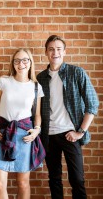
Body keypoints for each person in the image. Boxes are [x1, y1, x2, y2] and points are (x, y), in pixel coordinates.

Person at [37, 35, 99, 199]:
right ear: (46, 52)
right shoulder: (40, 78)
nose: (55, 52)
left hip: (70, 134)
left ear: (64, 52)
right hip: (49, 135)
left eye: (58, 49)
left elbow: (92, 103)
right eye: (51, 49)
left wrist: (81, 132)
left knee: (77, 179)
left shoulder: (76, 72)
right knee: (54, 179)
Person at [0, 48, 45, 199]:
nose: (21, 64)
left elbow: (37, 114)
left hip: (24, 137)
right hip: (2, 133)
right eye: (17, 61)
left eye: (25, 60)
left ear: (30, 62)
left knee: (23, 183)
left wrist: (37, 130)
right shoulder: (4, 81)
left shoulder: (36, 87)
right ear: (13, 64)